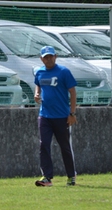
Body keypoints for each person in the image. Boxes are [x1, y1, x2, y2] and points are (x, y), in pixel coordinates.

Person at [34, 45, 78, 187]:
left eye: (51, 56)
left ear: (55, 57)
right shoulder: (39, 72)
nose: (49, 59)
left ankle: (71, 176)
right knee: (44, 145)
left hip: (61, 116)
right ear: (41, 59)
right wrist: (37, 93)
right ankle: (47, 177)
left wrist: (72, 113)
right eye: (46, 57)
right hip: (44, 115)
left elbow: (72, 92)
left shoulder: (63, 72)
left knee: (64, 146)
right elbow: (38, 84)